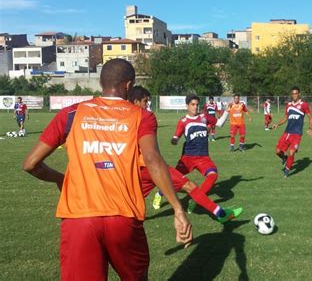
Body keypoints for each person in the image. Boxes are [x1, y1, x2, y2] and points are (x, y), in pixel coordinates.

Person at [22, 59, 192, 280]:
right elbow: (151, 158)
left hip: (78, 218)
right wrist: (178, 209)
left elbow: (30, 164)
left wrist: (60, 179)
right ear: (129, 85)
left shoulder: (71, 114)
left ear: (102, 83)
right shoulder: (141, 116)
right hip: (123, 217)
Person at [128, 86, 242, 223]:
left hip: (143, 167)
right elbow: (152, 151)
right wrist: (174, 140)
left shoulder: (126, 119)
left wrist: (226, 112)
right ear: (136, 101)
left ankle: (124, 218)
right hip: (169, 161)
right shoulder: (149, 118)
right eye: (145, 101)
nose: (147, 105)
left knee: (131, 196)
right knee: (188, 186)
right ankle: (221, 214)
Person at [172, 95, 242, 217]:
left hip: (203, 157)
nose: (195, 107)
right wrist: (174, 140)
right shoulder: (183, 121)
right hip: (187, 158)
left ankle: (195, 199)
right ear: (187, 106)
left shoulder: (204, 117)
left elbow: (219, 123)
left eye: (197, 104)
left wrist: (226, 111)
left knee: (213, 175)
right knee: (172, 181)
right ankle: (160, 194)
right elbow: (175, 137)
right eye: (192, 104)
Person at [272, 87, 312, 178]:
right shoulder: (289, 105)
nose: (294, 95)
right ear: (291, 94)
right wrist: (277, 124)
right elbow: (286, 117)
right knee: (277, 151)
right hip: (287, 133)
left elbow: (310, 117)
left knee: (291, 152)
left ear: (299, 94)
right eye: (293, 93)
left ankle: (287, 170)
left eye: (296, 93)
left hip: (297, 134)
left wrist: (310, 128)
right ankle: (284, 158)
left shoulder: (303, 105)